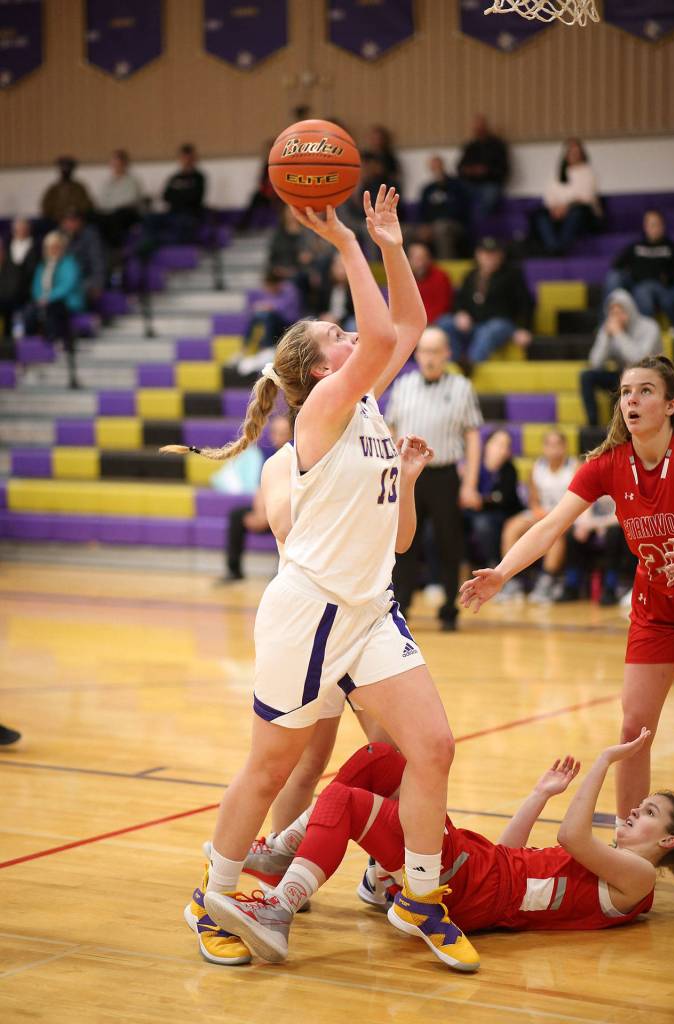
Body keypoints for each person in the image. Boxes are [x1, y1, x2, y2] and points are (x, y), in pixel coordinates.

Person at [164, 186, 477, 971]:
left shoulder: (365, 405)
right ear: (314, 367)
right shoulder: (324, 410)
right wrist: (345, 245)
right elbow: (381, 331)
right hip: (309, 612)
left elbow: (405, 326)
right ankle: (213, 897)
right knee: (273, 765)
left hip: (370, 610)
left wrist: (390, 244)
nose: (352, 339)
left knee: (433, 745)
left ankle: (419, 895)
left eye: (344, 332)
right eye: (334, 336)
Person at [217, 730, 674, 966]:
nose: (632, 813)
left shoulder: (638, 880)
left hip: (469, 890)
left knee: (344, 802)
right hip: (480, 870)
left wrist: (603, 760)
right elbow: (509, 854)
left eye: (646, 813)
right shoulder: (615, 868)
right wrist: (540, 795)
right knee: (381, 759)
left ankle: (282, 907)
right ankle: (293, 853)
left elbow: (571, 836)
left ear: (667, 842)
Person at [461, 355, 674, 828]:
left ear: (670, 405)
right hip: (656, 608)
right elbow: (551, 527)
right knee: (634, 731)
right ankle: (630, 842)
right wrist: (502, 572)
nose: (632, 400)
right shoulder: (607, 465)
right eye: (625, 392)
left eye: (645, 391)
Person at [385, 325, 483, 631]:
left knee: (448, 543)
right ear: (417, 354)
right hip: (407, 476)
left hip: (444, 474)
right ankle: (400, 606)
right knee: (403, 544)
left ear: (447, 354)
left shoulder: (462, 387)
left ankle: (449, 609)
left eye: (435, 351)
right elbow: (388, 430)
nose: (429, 357)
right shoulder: (403, 386)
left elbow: (473, 436)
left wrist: (469, 483)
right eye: (424, 351)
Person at [496, 430, 577, 604]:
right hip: (542, 512)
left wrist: (553, 516)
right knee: (512, 526)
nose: (553, 449)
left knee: (556, 531)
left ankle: (547, 580)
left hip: (566, 514)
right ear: (544, 448)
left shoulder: (574, 466)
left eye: (557, 444)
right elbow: (533, 499)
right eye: (549, 444)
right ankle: (511, 580)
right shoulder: (537, 467)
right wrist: (538, 510)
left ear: (565, 447)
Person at [215, 414, 293, 582]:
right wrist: (260, 514)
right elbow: (261, 489)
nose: (278, 437)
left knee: (289, 522)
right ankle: (234, 571)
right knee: (237, 515)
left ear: (291, 434)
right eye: (275, 432)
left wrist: (270, 516)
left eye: (283, 432)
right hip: (268, 511)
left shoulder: (297, 458)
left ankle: (283, 573)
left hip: (287, 512)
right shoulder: (269, 457)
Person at [437, 237, 533, 369]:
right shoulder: (470, 276)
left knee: (490, 330)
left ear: (501, 255)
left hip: (501, 324)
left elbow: (526, 303)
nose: (489, 257)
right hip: (473, 324)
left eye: (493, 254)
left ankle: (471, 365)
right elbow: (459, 301)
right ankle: (454, 363)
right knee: (444, 322)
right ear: (478, 255)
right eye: (485, 253)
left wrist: (524, 329)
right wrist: (461, 314)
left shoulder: (513, 275)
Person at [581, 289, 661, 427]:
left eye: (620, 312)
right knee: (586, 376)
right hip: (623, 374)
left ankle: (625, 427)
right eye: (613, 313)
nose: (616, 317)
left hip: (649, 376)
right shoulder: (610, 329)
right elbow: (595, 362)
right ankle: (593, 425)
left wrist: (618, 334)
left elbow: (639, 360)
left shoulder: (650, 327)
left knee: (625, 381)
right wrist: (606, 336)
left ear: (630, 310)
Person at [606, 210, 674, 333]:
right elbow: (616, 265)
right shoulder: (636, 247)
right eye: (650, 224)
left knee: (644, 290)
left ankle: (644, 333)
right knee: (613, 276)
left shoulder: (673, 248)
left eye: (656, 224)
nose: (654, 228)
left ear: (663, 226)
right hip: (636, 283)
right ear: (645, 226)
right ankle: (608, 322)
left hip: (662, 287)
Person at [23, 231, 83, 389]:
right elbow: (36, 287)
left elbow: (67, 285)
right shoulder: (43, 265)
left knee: (54, 310)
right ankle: (32, 348)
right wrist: (40, 298)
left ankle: (53, 342)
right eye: (51, 247)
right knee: (28, 312)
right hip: (44, 302)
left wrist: (48, 298)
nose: (54, 250)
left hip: (65, 302)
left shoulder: (69, 263)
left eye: (57, 247)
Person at [555, 495, 637, 606]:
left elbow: (622, 515)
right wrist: (584, 525)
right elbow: (584, 507)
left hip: (614, 529)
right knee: (573, 534)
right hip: (594, 528)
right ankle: (572, 586)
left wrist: (598, 524)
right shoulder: (595, 482)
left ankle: (610, 588)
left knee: (613, 534)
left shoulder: (623, 484)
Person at [463, 428, 523, 568]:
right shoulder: (474, 465)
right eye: (497, 443)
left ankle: (494, 564)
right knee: (449, 520)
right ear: (487, 445)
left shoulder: (509, 469)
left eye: (506, 445)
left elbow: (503, 499)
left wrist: (481, 501)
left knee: (482, 524)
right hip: (474, 511)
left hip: (501, 513)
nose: (501, 449)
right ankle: (459, 566)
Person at [534, 138, 601, 255]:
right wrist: (555, 208)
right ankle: (553, 247)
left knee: (577, 212)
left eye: (577, 152)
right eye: (571, 152)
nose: (574, 155)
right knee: (540, 214)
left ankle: (561, 248)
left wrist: (566, 207)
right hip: (558, 212)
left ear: (582, 155)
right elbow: (549, 196)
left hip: (582, 213)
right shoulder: (557, 174)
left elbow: (586, 197)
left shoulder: (588, 173)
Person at [415, 155, 469, 259]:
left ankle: (445, 264)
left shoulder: (456, 185)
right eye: (433, 167)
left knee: (441, 228)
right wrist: (424, 226)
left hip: (454, 225)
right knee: (406, 231)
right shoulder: (427, 189)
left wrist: (434, 225)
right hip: (431, 225)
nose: (436, 169)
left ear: (443, 166)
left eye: (438, 166)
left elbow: (460, 210)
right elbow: (422, 211)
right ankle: (409, 266)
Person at [456, 114, 509, 218]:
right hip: (470, 184)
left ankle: (480, 227)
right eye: (475, 127)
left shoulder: (497, 145)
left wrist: (486, 171)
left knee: (489, 197)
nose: (477, 129)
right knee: (454, 192)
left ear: (486, 127)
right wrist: (469, 170)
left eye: (480, 126)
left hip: (490, 183)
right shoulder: (470, 146)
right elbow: (459, 168)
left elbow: (504, 170)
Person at [96, 149, 144, 253]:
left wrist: (111, 207)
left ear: (124, 164)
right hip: (108, 213)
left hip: (127, 214)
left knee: (116, 217)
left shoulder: (132, 181)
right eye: (114, 163)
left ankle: (116, 250)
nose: (116, 165)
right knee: (94, 217)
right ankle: (101, 250)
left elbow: (131, 200)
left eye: (118, 163)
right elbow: (101, 201)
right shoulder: (108, 182)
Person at [60, 209, 107, 308]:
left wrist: (97, 283)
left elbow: (97, 261)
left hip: (84, 280)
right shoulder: (59, 236)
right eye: (67, 221)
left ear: (80, 222)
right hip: (64, 282)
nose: (70, 224)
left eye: (73, 221)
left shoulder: (91, 236)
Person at [407, 242, 453, 325]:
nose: (420, 263)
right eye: (416, 258)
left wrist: (426, 322)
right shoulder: (403, 279)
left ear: (429, 259)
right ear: (408, 260)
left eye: (423, 258)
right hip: (412, 324)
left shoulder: (440, 276)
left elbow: (443, 306)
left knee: (447, 321)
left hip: (437, 320)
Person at [40, 156, 94, 226]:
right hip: (56, 222)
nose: (65, 170)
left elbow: (88, 206)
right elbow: (45, 208)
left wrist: (75, 215)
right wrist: (60, 217)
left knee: (91, 232)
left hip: (77, 223)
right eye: (63, 167)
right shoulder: (53, 189)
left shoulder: (79, 188)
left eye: (68, 167)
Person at [0, 238, 24, 341]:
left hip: (9, 302)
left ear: (3, 252)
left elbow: (12, 291)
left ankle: (6, 342)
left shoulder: (13, 268)